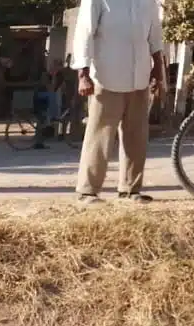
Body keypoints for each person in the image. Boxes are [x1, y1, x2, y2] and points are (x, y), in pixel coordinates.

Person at [71, 0, 165, 202]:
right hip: (106, 77)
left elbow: (155, 38)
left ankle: (130, 190)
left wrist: (159, 72)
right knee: (100, 135)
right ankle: (87, 191)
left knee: (136, 136)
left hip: (139, 78)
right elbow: (84, 33)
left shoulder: (148, 2)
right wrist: (83, 75)